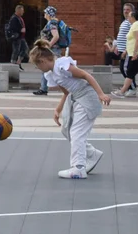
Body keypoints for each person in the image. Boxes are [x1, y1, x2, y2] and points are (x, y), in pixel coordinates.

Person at [29, 39, 112, 179]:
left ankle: (78, 168)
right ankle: (92, 154)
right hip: (74, 97)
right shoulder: (50, 74)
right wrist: (58, 109)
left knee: (77, 133)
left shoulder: (62, 66)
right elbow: (66, 92)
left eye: (37, 66)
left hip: (86, 96)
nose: (38, 69)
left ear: (42, 61)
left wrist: (101, 94)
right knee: (67, 130)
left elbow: (86, 75)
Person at [32, 6, 63, 95]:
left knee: (54, 68)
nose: (44, 14)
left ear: (49, 14)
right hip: (53, 49)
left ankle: (44, 89)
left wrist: (48, 45)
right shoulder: (51, 23)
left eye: (45, 13)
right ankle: (43, 88)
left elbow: (56, 36)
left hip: (53, 49)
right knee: (47, 68)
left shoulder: (52, 23)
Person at [112, 3, 137, 97]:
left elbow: (133, 37)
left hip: (127, 51)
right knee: (123, 69)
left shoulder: (131, 22)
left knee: (125, 69)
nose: (125, 11)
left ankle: (132, 88)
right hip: (122, 50)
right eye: (124, 9)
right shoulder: (125, 21)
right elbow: (122, 36)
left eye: (128, 9)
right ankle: (129, 87)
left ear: (132, 11)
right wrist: (118, 46)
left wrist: (126, 50)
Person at [7, 4, 28, 69]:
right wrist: (20, 30)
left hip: (21, 37)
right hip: (17, 37)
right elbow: (11, 28)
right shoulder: (14, 18)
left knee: (25, 49)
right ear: (18, 11)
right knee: (16, 50)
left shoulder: (19, 17)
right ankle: (13, 65)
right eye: (22, 10)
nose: (23, 12)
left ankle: (18, 62)